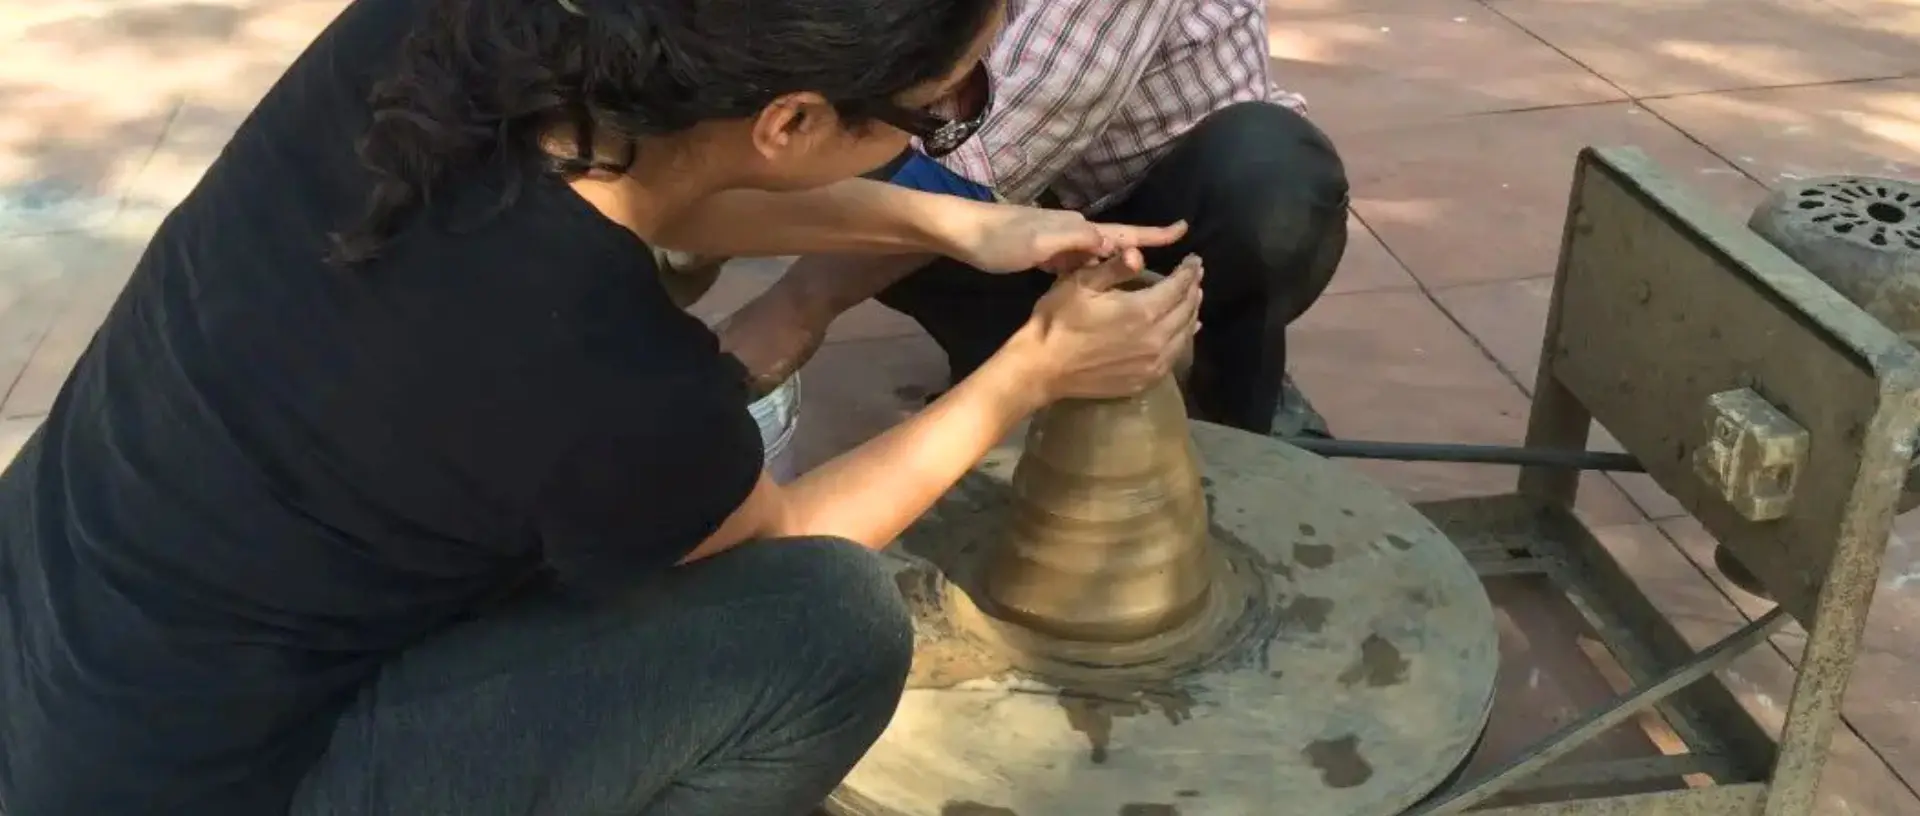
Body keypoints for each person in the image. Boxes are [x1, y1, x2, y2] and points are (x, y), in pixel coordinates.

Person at [0, 0, 1202, 812]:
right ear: (790, 120)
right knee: (824, 630)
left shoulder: (448, 39)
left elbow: (669, 191)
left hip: (53, 620)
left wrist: (955, 220)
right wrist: (1029, 376)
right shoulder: (605, 377)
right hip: (193, 783)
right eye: (945, 111)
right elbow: (784, 552)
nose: (955, 123)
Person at [702, 0, 1349, 436]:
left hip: (1177, 202)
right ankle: (1016, 382)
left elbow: (993, 150)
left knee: (1271, 189)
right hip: (1032, 204)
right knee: (874, 183)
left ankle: (1229, 393)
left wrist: (796, 305)